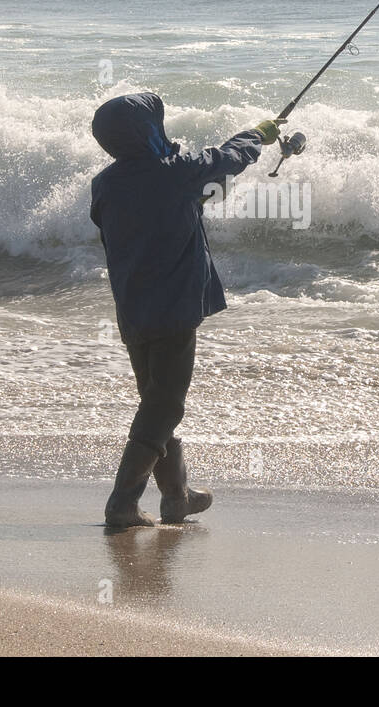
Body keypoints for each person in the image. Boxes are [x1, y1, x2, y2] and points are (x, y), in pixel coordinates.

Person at [89, 92, 281, 527]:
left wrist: (185, 199)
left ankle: (177, 497)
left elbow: (141, 216)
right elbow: (226, 158)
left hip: (133, 307)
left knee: (155, 401)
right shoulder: (175, 174)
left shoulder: (106, 184)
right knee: (166, 405)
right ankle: (122, 502)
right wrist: (259, 134)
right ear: (146, 132)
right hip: (173, 305)